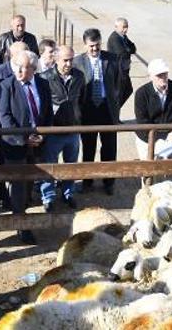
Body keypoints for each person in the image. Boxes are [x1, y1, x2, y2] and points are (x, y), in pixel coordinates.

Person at [0, 51, 53, 244]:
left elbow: (47, 113)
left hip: (37, 144)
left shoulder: (43, 84)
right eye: (17, 66)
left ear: (34, 68)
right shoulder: (6, 86)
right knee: (18, 184)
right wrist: (24, 138)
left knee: (31, 181)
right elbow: (4, 117)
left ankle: (26, 209)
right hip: (15, 144)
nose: (20, 71)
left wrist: (43, 134)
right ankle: (21, 225)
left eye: (25, 67)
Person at [73, 28, 121, 195]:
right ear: (85, 45)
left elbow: (119, 85)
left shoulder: (112, 59)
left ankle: (109, 182)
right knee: (88, 148)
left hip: (107, 110)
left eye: (98, 45)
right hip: (88, 111)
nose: (95, 49)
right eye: (91, 46)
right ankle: (87, 181)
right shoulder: (77, 62)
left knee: (109, 148)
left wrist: (115, 105)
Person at [40, 46, 86, 211]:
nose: (69, 63)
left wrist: (78, 119)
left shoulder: (79, 76)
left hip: (73, 129)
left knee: (71, 165)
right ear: (56, 59)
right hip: (54, 131)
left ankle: (68, 193)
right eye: (65, 60)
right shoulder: (45, 78)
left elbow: (82, 100)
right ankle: (48, 196)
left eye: (71, 59)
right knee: (50, 165)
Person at [0, 41, 29, 211]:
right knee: (1, 163)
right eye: (22, 52)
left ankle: (22, 196)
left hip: (23, 127)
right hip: (3, 129)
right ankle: (1, 195)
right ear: (12, 55)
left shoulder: (29, 69)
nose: (26, 55)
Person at [134, 59, 172, 160]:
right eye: (159, 75)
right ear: (150, 76)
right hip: (147, 138)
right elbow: (142, 122)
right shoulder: (141, 94)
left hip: (171, 137)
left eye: (165, 74)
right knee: (148, 170)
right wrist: (163, 136)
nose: (163, 78)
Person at [106, 17, 136, 107]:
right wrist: (128, 50)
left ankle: (114, 112)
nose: (125, 29)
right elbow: (122, 53)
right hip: (117, 71)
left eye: (126, 27)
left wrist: (128, 50)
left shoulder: (123, 37)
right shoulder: (114, 38)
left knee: (128, 90)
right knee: (118, 94)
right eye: (123, 27)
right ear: (116, 27)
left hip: (124, 70)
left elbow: (133, 48)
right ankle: (114, 116)